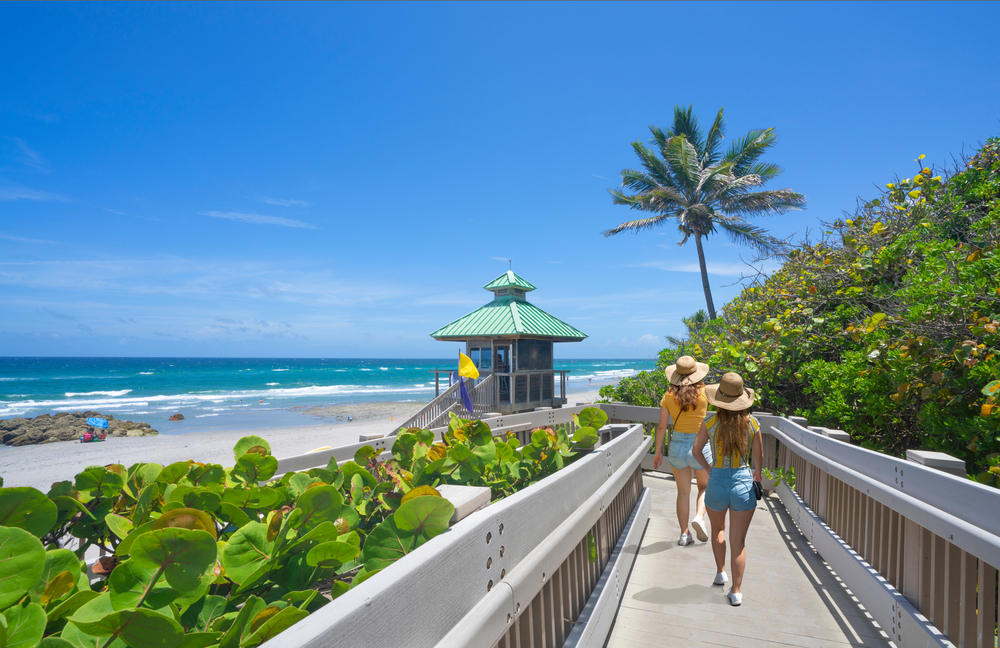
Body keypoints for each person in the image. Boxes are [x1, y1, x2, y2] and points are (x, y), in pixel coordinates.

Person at [693, 372, 763, 607]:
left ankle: (720, 572)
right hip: (743, 482)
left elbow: (696, 451)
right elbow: (759, 459)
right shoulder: (752, 423)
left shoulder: (711, 423)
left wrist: (710, 468)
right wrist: (757, 474)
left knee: (718, 529)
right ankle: (736, 591)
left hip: (717, 482)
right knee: (739, 541)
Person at [652, 356, 712, 546]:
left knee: (683, 492)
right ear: (696, 373)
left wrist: (658, 452)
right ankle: (699, 517)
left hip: (677, 445)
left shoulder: (668, 396)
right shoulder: (705, 392)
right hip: (700, 446)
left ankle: (684, 534)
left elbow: (662, 427)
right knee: (705, 487)